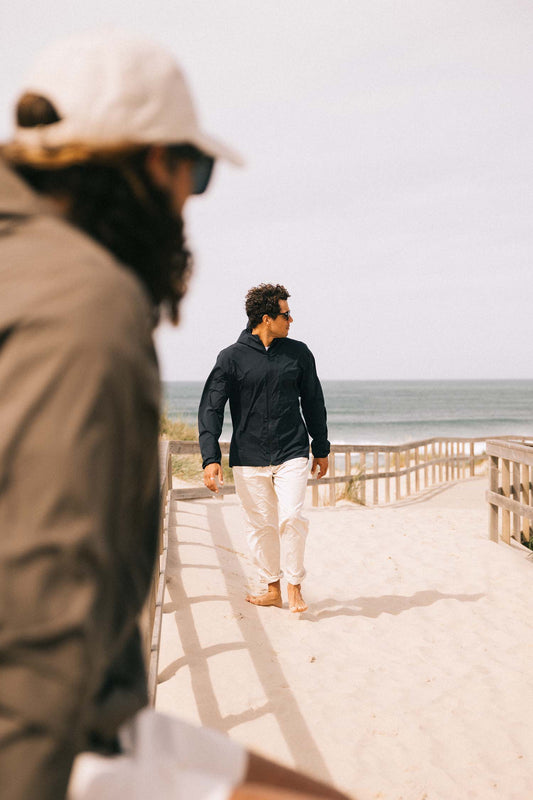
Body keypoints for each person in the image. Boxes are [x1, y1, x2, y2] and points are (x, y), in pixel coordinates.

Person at [0, 32, 351, 800]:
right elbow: (39, 637)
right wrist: (214, 451)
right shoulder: (85, 306)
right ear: (148, 164)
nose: (192, 199)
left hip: (99, 712)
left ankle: (283, 584)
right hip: (60, 735)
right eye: (195, 170)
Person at [199, 284, 330, 613]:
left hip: (292, 450)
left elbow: (313, 401)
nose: (291, 320)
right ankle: (272, 588)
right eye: (286, 315)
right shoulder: (231, 358)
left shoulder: (299, 354)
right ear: (267, 318)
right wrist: (210, 457)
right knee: (261, 526)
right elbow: (211, 408)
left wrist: (321, 447)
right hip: (249, 456)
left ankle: (295, 586)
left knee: (292, 517)